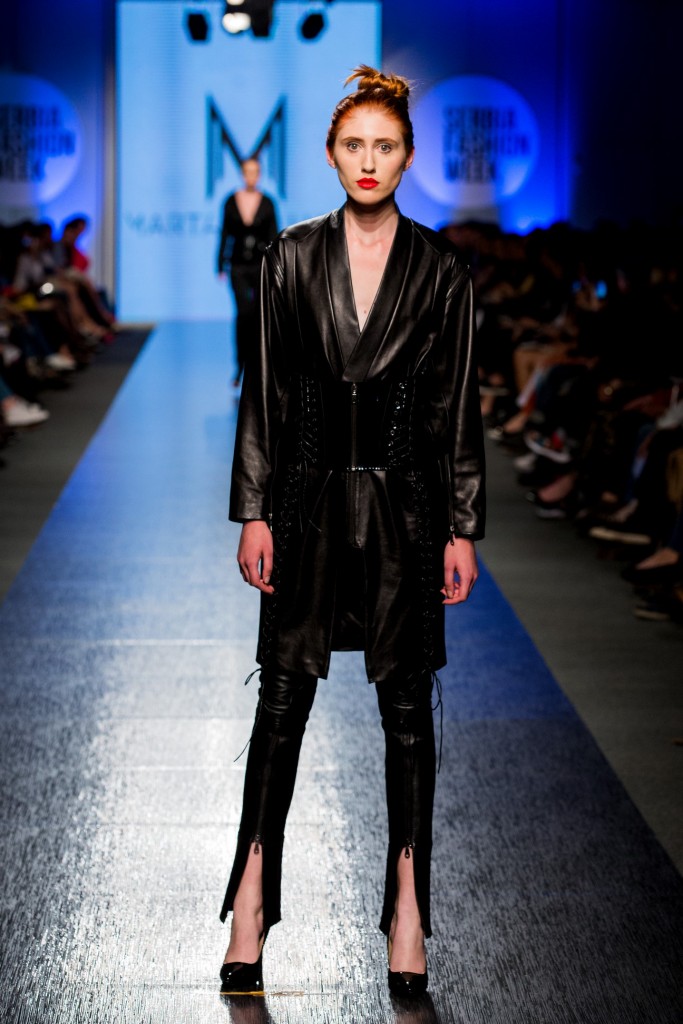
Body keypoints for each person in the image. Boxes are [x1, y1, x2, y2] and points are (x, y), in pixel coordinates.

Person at [219, 66, 485, 999]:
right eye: (352, 146)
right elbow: (265, 393)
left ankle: (407, 910)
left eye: (385, 146)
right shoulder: (288, 257)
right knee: (281, 702)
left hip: (408, 507)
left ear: (407, 158)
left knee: (406, 714)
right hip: (306, 499)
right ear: (331, 155)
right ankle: (250, 899)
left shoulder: (442, 270)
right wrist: (253, 509)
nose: (368, 161)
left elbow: (456, 407)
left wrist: (461, 526)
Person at [217, 157, 279, 387]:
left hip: (261, 264)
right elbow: (224, 233)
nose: (251, 176)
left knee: (259, 315)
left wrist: (276, 266)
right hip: (238, 266)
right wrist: (219, 263)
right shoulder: (231, 201)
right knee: (243, 314)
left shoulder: (268, 202)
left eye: (255, 171)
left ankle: (259, 366)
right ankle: (239, 365)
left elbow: (274, 236)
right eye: (247, 171)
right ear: (242, 174)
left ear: (259, 174)